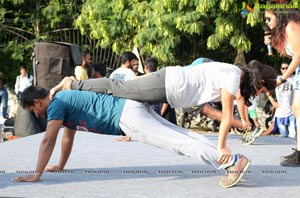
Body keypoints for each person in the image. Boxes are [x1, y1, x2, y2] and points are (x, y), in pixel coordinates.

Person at [13, 86, 250, 188]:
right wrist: (60, 165)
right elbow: (67, 137)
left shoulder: (56, 105)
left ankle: (231, 162)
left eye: (33, 110)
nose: (36, 114)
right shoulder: (64, 100)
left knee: (177, 143)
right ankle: (227, 158)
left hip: (126, 116)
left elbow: (48, 140)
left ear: (36, 102)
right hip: (130, 108)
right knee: (179, 135)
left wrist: (37, 174)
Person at [51, 60, 278, 161]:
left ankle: (74, 85)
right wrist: (221, 146)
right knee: (118, 88)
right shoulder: (232, 76)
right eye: (262, 91)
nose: (259, 94)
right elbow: (227, 117)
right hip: (169, 83)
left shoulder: (235, 78)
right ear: (258, 82)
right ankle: (72, 83)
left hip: (171, 90)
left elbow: (236, 106)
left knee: (122, 92)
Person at [264, 2, 300, 166]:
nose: (267, 22)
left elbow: (298, 56)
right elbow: (289, 54)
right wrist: (272, 43)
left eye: (269, 18)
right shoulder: (286, 30)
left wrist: (283, 78)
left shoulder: (291, 27)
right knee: (297, 108)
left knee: (298, 108)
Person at [266, 62, 296, 138]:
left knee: (293, 135)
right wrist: (272, 101)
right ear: (280, 70)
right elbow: (266, 89)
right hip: (280, 112)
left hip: (292, 112)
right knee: (283, 135)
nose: (285, 70)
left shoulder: (295, 78)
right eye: (283, 68)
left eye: (287, 68)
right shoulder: (277, 79)